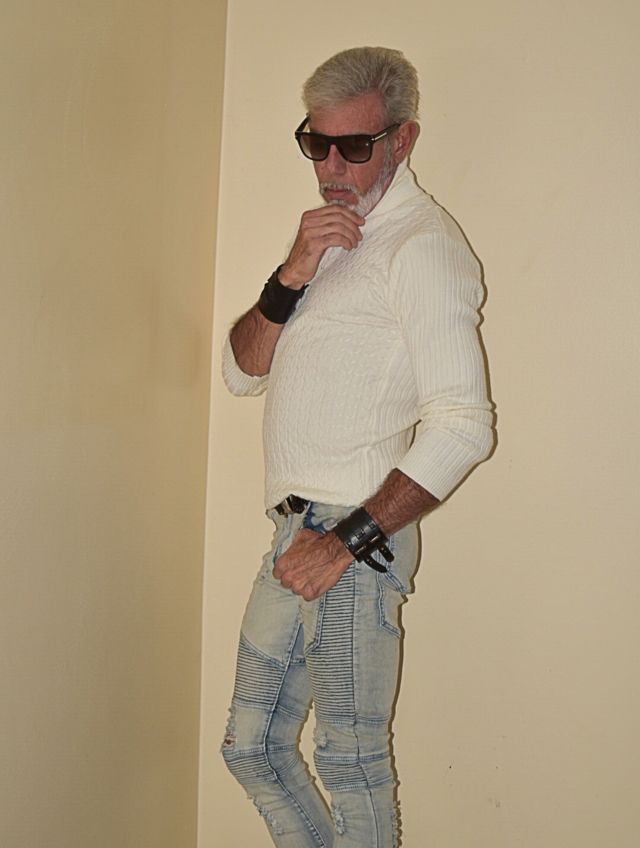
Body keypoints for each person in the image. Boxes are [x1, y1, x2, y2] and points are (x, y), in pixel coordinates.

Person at [220, 46, 494, 848]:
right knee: (251, 748)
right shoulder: (330, 241)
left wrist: (344, 543)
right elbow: (241, 372)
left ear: (402, 140)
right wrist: (291, 272)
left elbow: (464, 425)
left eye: (355, 146)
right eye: (318, 144)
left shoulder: (423, 245)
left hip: (350, 539)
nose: (332, 167)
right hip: (294, 529)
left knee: (350, 762)